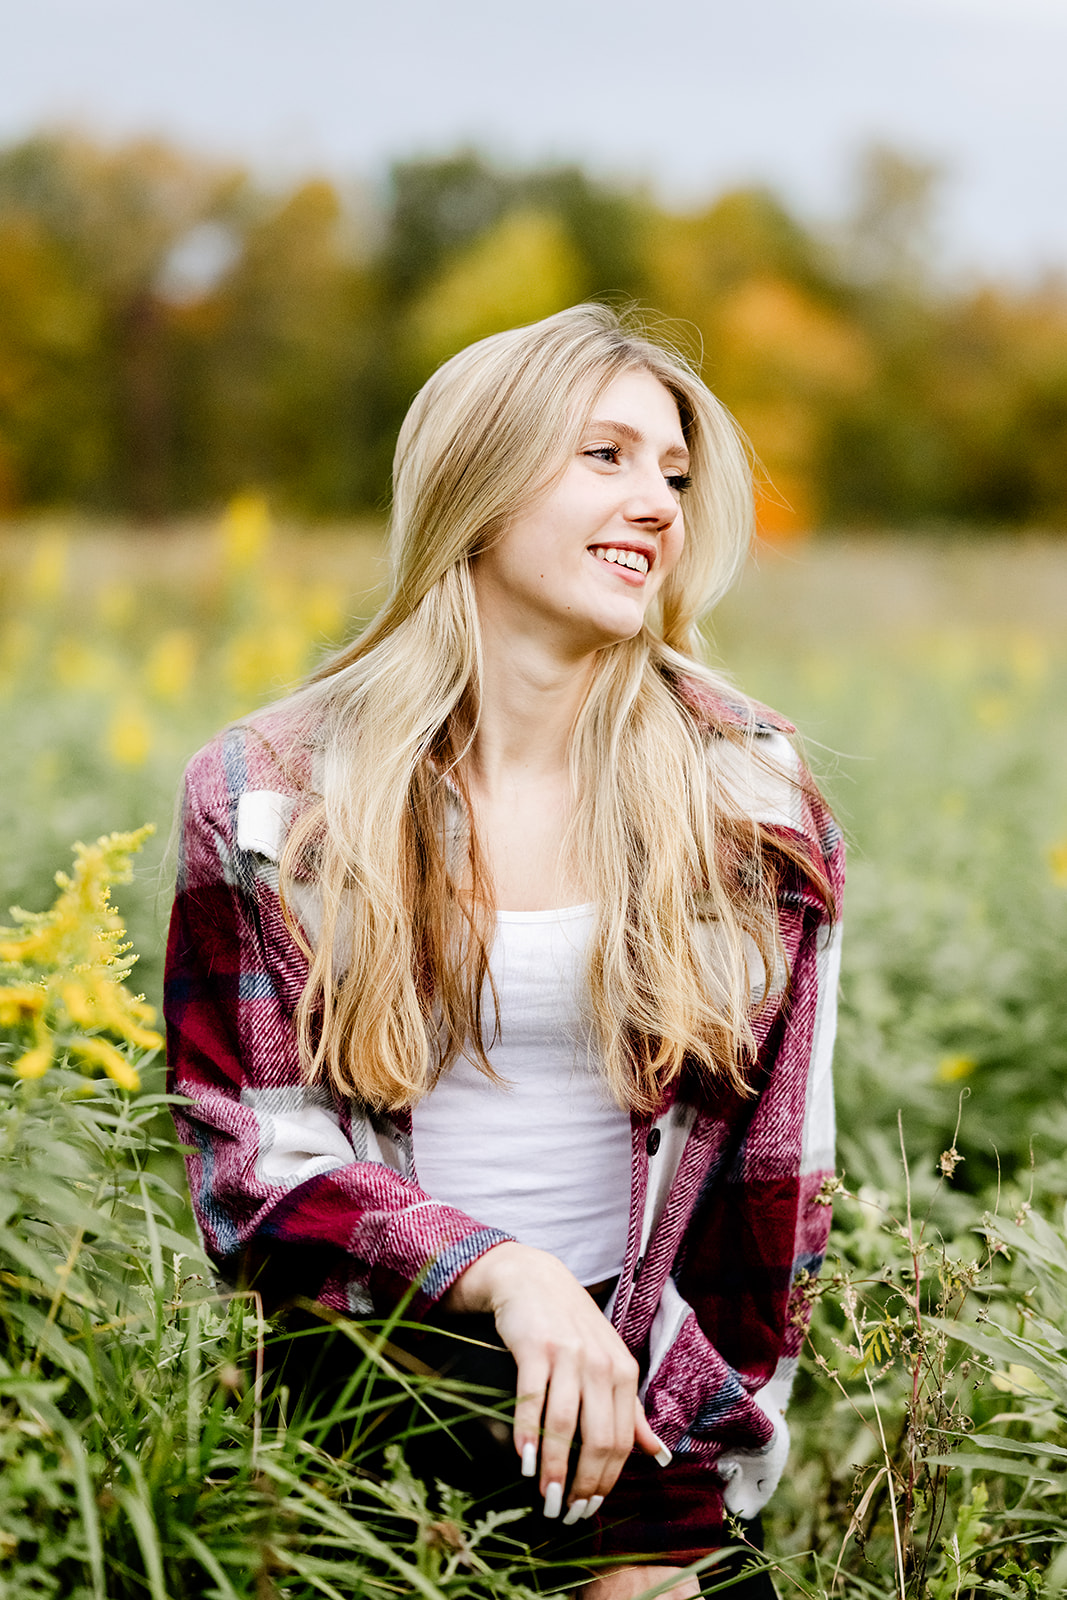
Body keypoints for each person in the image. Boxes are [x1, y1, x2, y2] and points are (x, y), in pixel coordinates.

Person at [164, 304, 844, 1598]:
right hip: (369, 1389)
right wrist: (503, 1274)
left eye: (676, 474)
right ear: (477, 478)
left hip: (650, 1384)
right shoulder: (269, 793)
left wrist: (693, 1471)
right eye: (606, 455)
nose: (657, 501)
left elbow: (776, 1179)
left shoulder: (747, 792)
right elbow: (254, 1168)